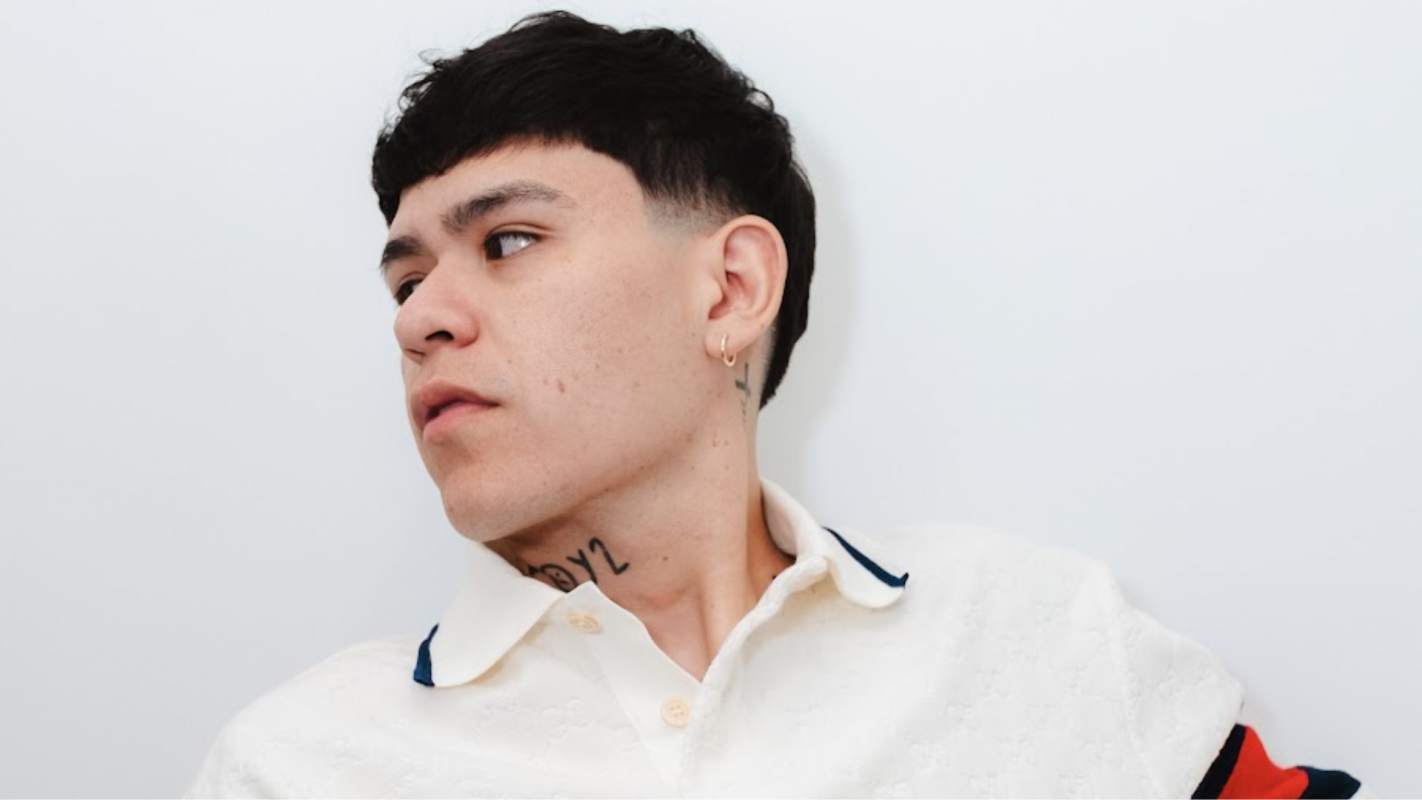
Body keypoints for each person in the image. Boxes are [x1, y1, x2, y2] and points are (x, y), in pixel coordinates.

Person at [186, 11, 1367, 798]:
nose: (420, 318)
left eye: (507, 241)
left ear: (731, 288)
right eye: (406, 280)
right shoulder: (296, 767)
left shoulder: (1037, 638)